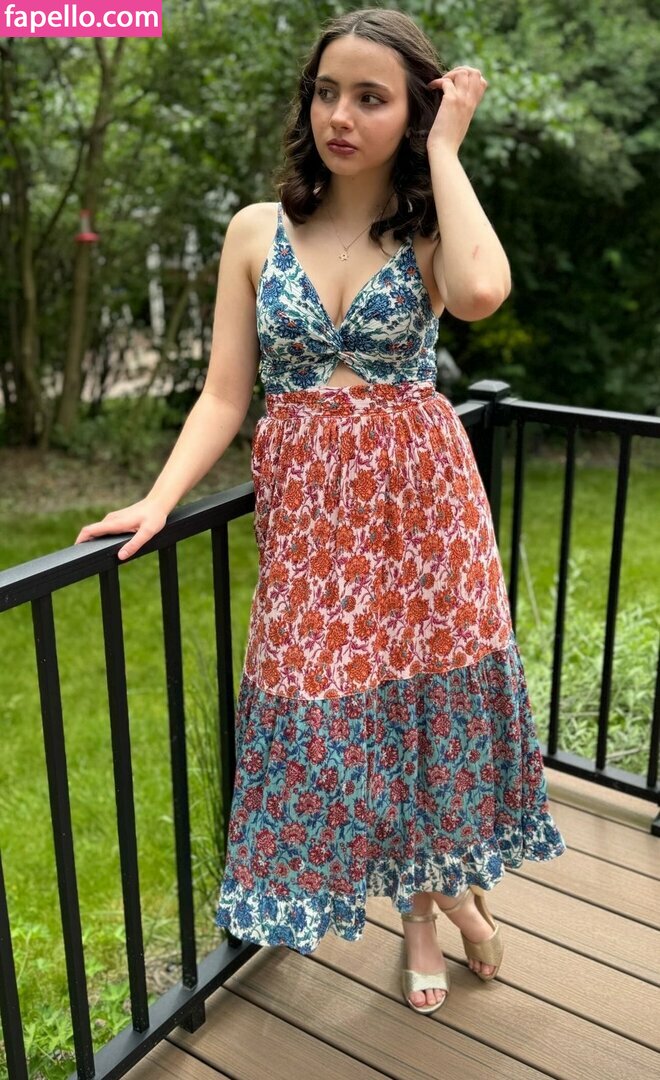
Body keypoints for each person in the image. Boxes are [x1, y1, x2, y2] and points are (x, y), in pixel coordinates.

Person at [75, 7, 566, 1016]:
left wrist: (445, 150)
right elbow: (225, 394)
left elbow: (481, 291)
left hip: (426, 517)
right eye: (327, 92)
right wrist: (158, 500)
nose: (340, 115)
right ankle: (459, 899)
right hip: (312, 536)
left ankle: (424, 917)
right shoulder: (256, 230)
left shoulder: (431, 228)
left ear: (411, 113)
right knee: (326, 733)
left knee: (424, 718)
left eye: (371, 98)